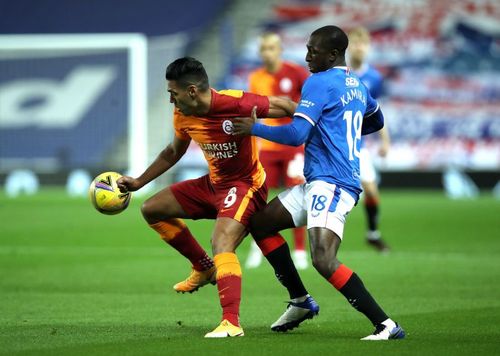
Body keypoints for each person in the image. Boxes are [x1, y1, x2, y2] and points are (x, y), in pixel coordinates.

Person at [116, 57, 316, 338]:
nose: (172, 101)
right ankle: (203, 267)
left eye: (173, 94)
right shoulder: (183, 115)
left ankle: (231, 323)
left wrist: (315, 137)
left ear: (192, 91)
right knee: (152, 209)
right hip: (214, 185)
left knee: (221, 240)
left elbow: (285, 105)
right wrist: (138, 182)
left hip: (246, 186)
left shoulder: (235, 103)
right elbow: (174, 152)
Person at [233, 25, 405, 340]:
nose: (307, 55)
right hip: (320, 181)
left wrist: (254, 128)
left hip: (333, 183)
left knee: (323, 259)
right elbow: (377, 120)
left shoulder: (319, 82)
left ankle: (386, 325)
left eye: (314, 50)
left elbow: (297, 134)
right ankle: (300, 301)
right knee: (260, 223)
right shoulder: (355, 83)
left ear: (332, 54)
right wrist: (341, 133)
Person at [246, 32, 310, 269]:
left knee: (298, 195)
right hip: (268, 147)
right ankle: (257, 246)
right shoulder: (256, 78)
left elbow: (308, 102)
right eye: (264, 48)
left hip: (293, 146)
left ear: (280, 49)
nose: (267, 53)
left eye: (272, 48)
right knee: (258, 197)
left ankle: (301, 250)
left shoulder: (295, 72)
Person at [348, 26, 391, 252]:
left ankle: (373, 233)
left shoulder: (374, 78)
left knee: (372, 191)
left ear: (368, 48)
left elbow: (377, 110)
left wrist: (385, 140)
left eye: (363, 44)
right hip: (338, 144)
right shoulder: (340, 74)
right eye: (355, 43)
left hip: (359, 145)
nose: (359, 48)